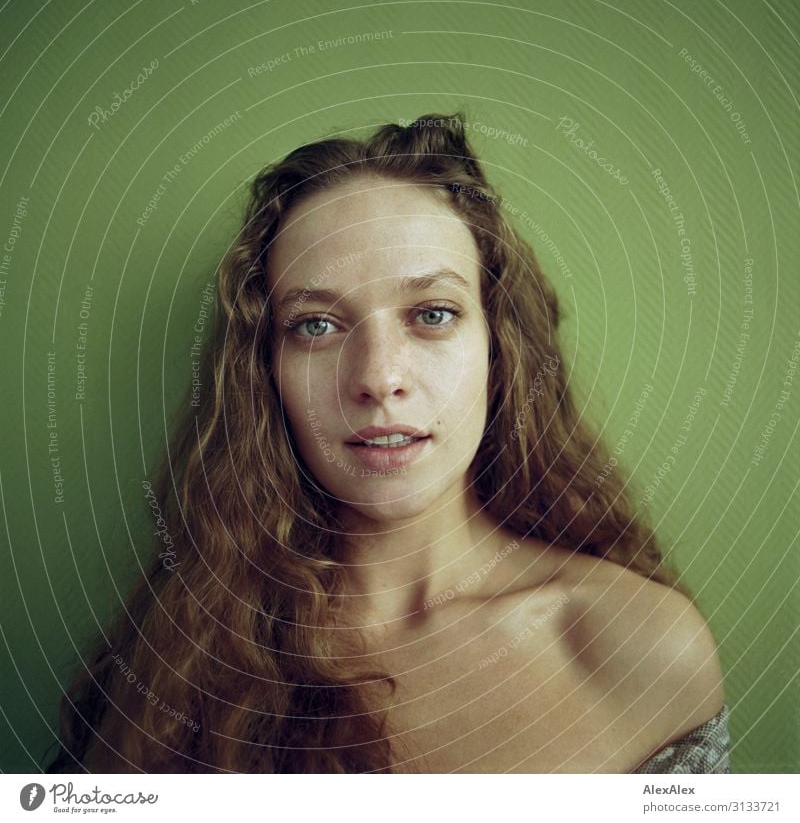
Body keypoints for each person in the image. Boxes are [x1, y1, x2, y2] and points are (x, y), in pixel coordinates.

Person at [45, 113, 729, 774]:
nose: (378, 378)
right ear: (266, 373)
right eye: (316, 325)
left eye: (433, 314)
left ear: (502, 351)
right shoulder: (184, 657)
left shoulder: (637, 648)